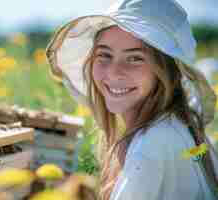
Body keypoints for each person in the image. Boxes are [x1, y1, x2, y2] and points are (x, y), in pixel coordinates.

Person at [45, 0, 218, 199]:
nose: (114, 72)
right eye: (104, 55)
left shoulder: (149, 148)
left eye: (135, 58)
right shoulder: (179, 127)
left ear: (166, 71)